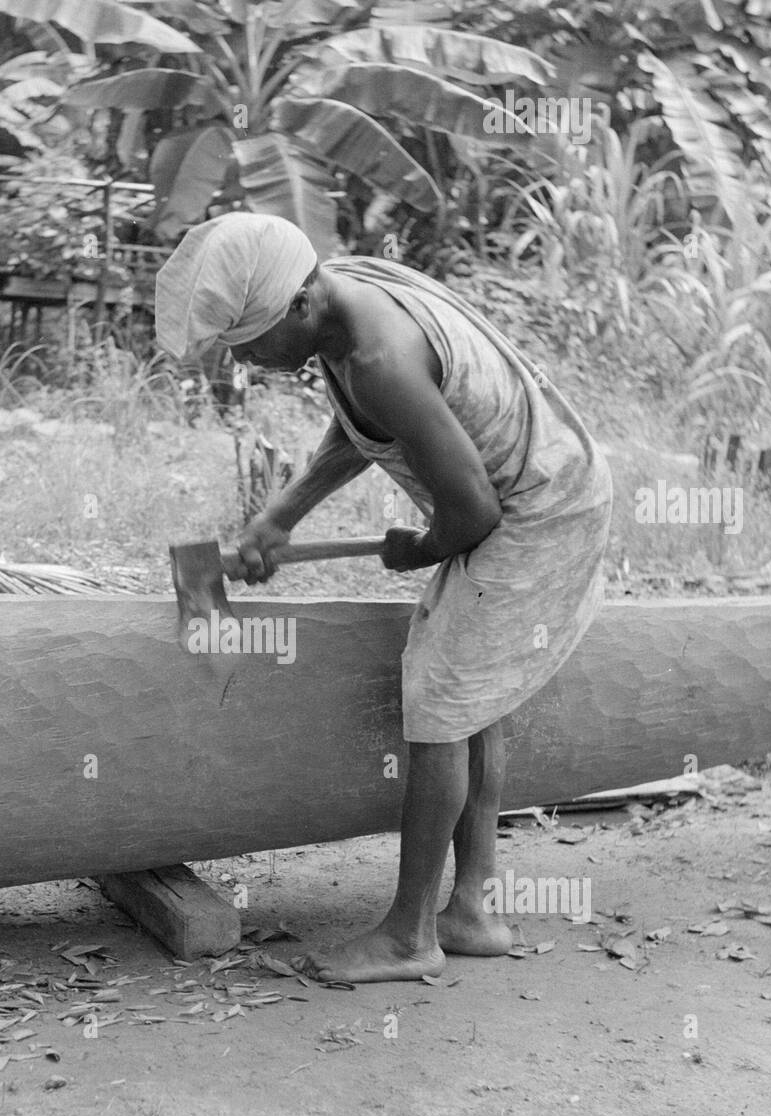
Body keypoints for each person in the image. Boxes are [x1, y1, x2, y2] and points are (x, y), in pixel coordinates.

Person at [155, 212, 612, 983]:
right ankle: (471, 910)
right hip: (531, 486)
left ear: (301, 305)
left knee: (438, 701)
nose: (250, 360)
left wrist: (421, 548)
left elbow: (472, 513)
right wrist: (280, 516)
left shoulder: (378, 354)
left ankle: (410, 935)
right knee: (471, 696)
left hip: (540, 510)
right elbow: (366, 428)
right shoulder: (345, 296)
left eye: (253, 342)